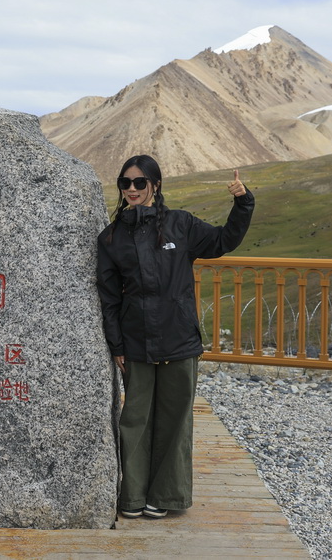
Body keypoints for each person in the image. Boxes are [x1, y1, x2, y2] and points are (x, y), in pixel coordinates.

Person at [96, 154, 254, 519]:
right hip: (135, 343)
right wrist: (116, 345)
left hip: (179, 340)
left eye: (139, 182)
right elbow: (109, 297)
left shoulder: (180, 225)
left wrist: (242, 201)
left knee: (175, 420)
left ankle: (166, 496)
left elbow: (223, 241)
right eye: (125, 183)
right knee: (134, 420)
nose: (132, 189)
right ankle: (132, 496)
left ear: (156, 184)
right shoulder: (111, 236)